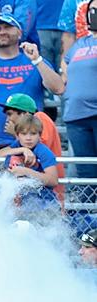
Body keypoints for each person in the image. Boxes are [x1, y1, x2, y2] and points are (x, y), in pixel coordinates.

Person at [0, 13, 65, 148]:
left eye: (7, 27)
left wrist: (37, 60)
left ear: (19, 33)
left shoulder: (34, 61)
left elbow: (58, 88)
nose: (2, 32)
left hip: (29, 143)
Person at [0, 92, 66, 203]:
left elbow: (39, 148)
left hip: (48, 195)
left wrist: (16, 133)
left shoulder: (41, 118)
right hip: (29, 195)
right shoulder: (22, 142)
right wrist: (23, 149)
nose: (7, 119)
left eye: (10, 114)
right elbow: (0, 154)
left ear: (26, 114)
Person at [61, 0, 97, 179]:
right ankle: (88, 208)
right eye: (92, 10)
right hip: (76, 116)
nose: (95, 13)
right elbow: (65, 63)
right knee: (86, 173)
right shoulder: (79, 44)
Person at [1, 115, 61, 217]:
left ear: (39, 135)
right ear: (18, 135)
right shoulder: (17, 145)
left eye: (33, 134)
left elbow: (53, 180)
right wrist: (22, 150)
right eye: (24, 134)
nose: (28, 138)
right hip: (18, 201)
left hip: (42, 202)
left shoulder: (43, 151)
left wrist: (26, 171)